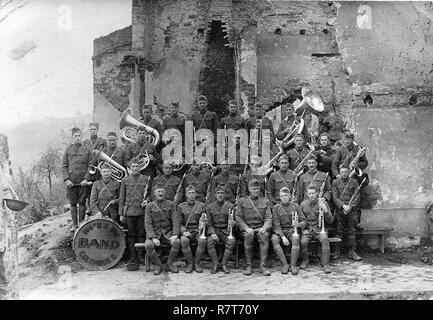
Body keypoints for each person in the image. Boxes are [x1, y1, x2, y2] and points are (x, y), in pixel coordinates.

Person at [236, 179, 272, 276]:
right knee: (248, 236)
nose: (256, 191)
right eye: (254, 189)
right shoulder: (242, 201)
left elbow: (268, 217)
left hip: (260, 228)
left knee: (264, 235)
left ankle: (263, 266)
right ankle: (249, 265)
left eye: (257, 189)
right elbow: (238, 217)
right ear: (249, 189)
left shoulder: (265, 201)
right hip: (248, 229)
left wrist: (264, 227)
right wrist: (246, 228)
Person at [118, 159, 150, 265]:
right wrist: (121, 214)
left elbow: (150, 195)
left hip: (142, 211)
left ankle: (140, 256)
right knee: (131, 234)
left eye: (137, 166)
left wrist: (147, 200)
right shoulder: (125, 180)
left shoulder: (146, 179)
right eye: (133, 166)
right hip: (129, 212)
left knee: (141, 234)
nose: (135, 168)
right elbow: (121, 198)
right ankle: (133, 257)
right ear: (130, 168)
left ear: (140, 167)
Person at [144, 185, 181, 275]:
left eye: (162, 192)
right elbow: (148, 223)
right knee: (148, 245)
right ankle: (158, 265)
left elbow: (175, 220)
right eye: (158, 192)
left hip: (167, 233)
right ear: (154, 193)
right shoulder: (149, 206)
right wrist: (153, 237)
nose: (160, 194)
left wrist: (175, 234)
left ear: (165, 193)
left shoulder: (171, 204)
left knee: (177, 242)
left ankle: (169, 264)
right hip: (155, 234)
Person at [62, 127, 93, 232]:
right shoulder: (68, 149)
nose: (78, 138)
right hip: (71, 182)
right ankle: (74, 224)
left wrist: (86, 178)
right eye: (75, 136)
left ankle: (81, 224)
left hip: (83, 182)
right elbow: (64, 166)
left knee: (82, 202)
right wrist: (67, 179)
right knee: (73, 203)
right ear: (72, 137)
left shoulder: (87, 149)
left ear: (82, 137)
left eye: (79, 136)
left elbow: (91, 166)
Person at [299, 184, 334, 274]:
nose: (311, 195)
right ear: (307, 194)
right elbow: (301, 219)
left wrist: (325, 210)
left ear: (317, 193)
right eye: (309, 193)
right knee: (303, 242)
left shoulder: (323, 203)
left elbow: (331, 221)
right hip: (308, 230)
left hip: (319, 230)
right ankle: (305, 260)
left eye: (313, 193)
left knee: (324, 239)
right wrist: (303, 230)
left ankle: (326, 264)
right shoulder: (303, 204)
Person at [271, 187, 306, 275]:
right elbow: (276, 224)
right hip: (280, 231)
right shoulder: (276, 208)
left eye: (286, 195)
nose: (284, 197)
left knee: (296, 239)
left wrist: (298, 225)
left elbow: (304, 221)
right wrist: (282, 237)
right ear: (280, 197)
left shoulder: (295, 206)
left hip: (291, 230)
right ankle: (285, 265)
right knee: (274, 240)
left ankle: (293, 265)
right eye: (282, 196)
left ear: (290, 196)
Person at [332, 164, 362, 261]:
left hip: (351, 211)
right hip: (340, 210)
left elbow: (357, 196)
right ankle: (337, 252)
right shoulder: (335, 182)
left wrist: (350, 206)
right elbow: (334, 197)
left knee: (352, 231)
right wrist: (342, 206)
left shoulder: (354, 182)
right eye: (342, 172)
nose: (344, 174)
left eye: (346, 172)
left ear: (349, 172)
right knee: (338, 231)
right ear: (339, 172)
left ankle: (352, 252)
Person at [206, 185, 236, 274]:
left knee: (231, 242)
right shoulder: (209, 206)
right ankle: (216, 264)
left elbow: (234, 220)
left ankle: (223, 264)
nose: (220, 195)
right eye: (218, 193)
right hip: (214, 230)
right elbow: (209, 222)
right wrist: (212, 233)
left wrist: (234, 223)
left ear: (225, 195)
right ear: (215, 195)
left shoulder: (231, 206)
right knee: (209, 242)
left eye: (222, 193)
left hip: (226, 231)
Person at [177, 185, 207, 273]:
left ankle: (196, 263)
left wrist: (204, 223)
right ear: (186, 195)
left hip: (198, 230)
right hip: (187, 230)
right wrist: (184, 231)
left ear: (196, 194)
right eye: (189, 193)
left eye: (193, 193)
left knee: (202, 241)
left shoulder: (202, 206)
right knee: (184, 241)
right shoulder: (181, 206)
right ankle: (190, 264)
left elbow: (204, 220)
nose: (191, 195)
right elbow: (179, 223)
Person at [83, 122, 107, 213]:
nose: (93, 131)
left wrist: (99, 152)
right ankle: (89, 207)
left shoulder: (102, 141)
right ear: (89, 130)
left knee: (100, 187)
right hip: (89, 168)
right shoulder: (85, 142)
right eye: (91, 129)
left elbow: (106, 152)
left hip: (99, 167)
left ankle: (100, 207)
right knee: (89, 189)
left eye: (94, 129)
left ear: (97, 130)